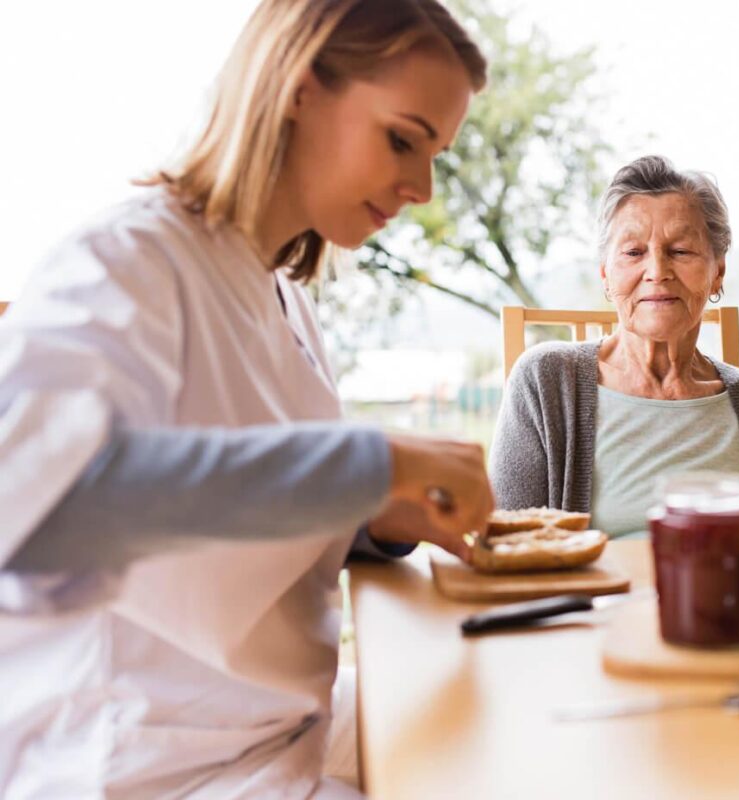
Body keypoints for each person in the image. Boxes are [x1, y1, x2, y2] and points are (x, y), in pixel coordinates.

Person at [0, 1, 491, 796]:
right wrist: (369, 464)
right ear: (298, 88)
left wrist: (375, 515)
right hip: (155, 767)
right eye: (403, 139)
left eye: (434, 154)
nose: (422, 188)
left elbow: (244, 495)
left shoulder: (283, 296)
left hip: (282, 727)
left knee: (509, 718)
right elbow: (38, 509)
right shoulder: (125, 265)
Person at [490, 155, 739, 537]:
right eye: (632, 252)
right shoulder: (544, 383)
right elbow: (509, 545)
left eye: (680, 251)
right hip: (597, 598)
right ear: (605, 274)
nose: (657, 271)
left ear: (718, 272)